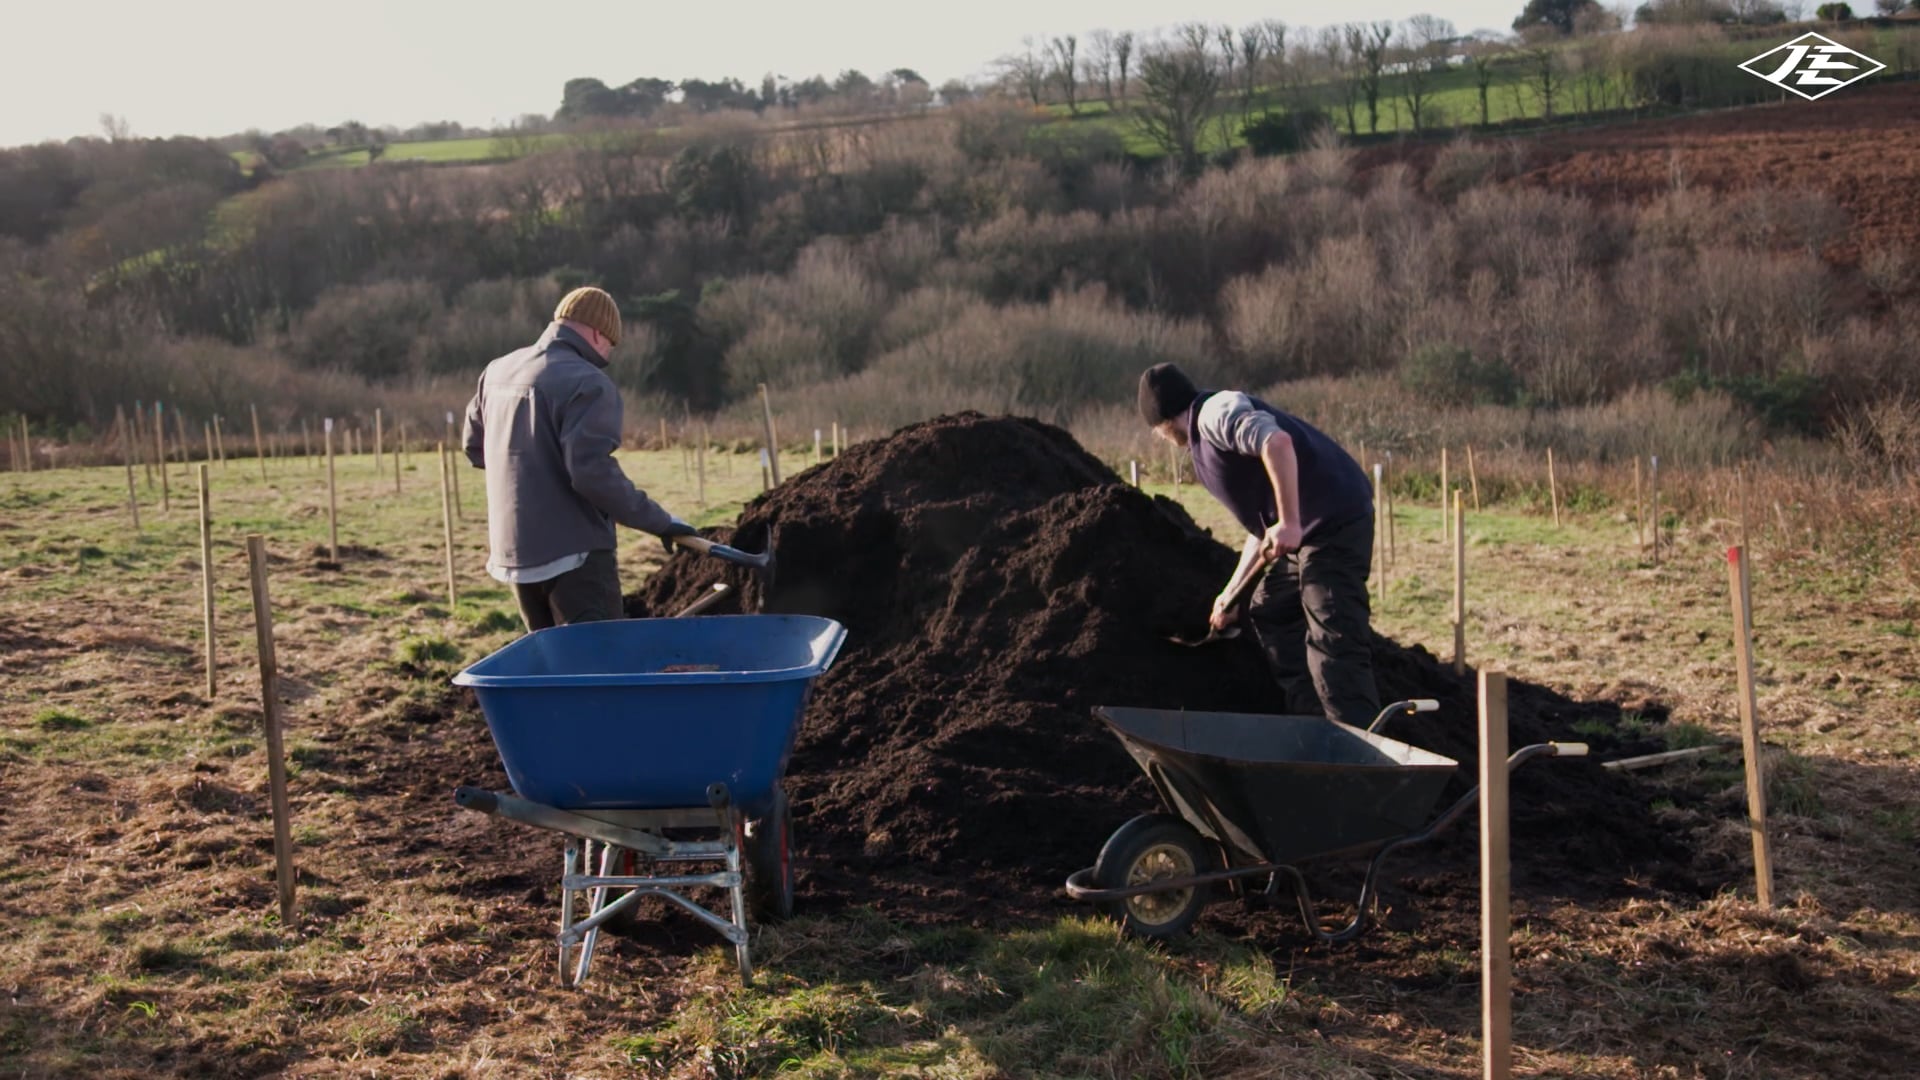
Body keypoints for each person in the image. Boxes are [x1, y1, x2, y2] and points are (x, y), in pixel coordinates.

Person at [1138, 363, 1380, 728]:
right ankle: (1312, 725)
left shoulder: (1216, 414)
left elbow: (1276, 442)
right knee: (1271, 609)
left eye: (1156, 432)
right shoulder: (1204, 445)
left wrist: (1290, 521)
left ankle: (1359, 755)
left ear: (1162, 423)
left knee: (1332, 639)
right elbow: (1264, 529)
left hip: (1335, 522)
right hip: (1309, 530)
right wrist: (1230, 594)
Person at [463, 286, 696, 632]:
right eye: (610, 345)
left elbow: (474, 447)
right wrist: (661, 522)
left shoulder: (497, 371)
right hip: (575, 557)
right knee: (602, 672)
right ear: (596, 332)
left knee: (554, 668)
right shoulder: (588, 383)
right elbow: (591, 474)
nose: (608, 356)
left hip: (515, 554)